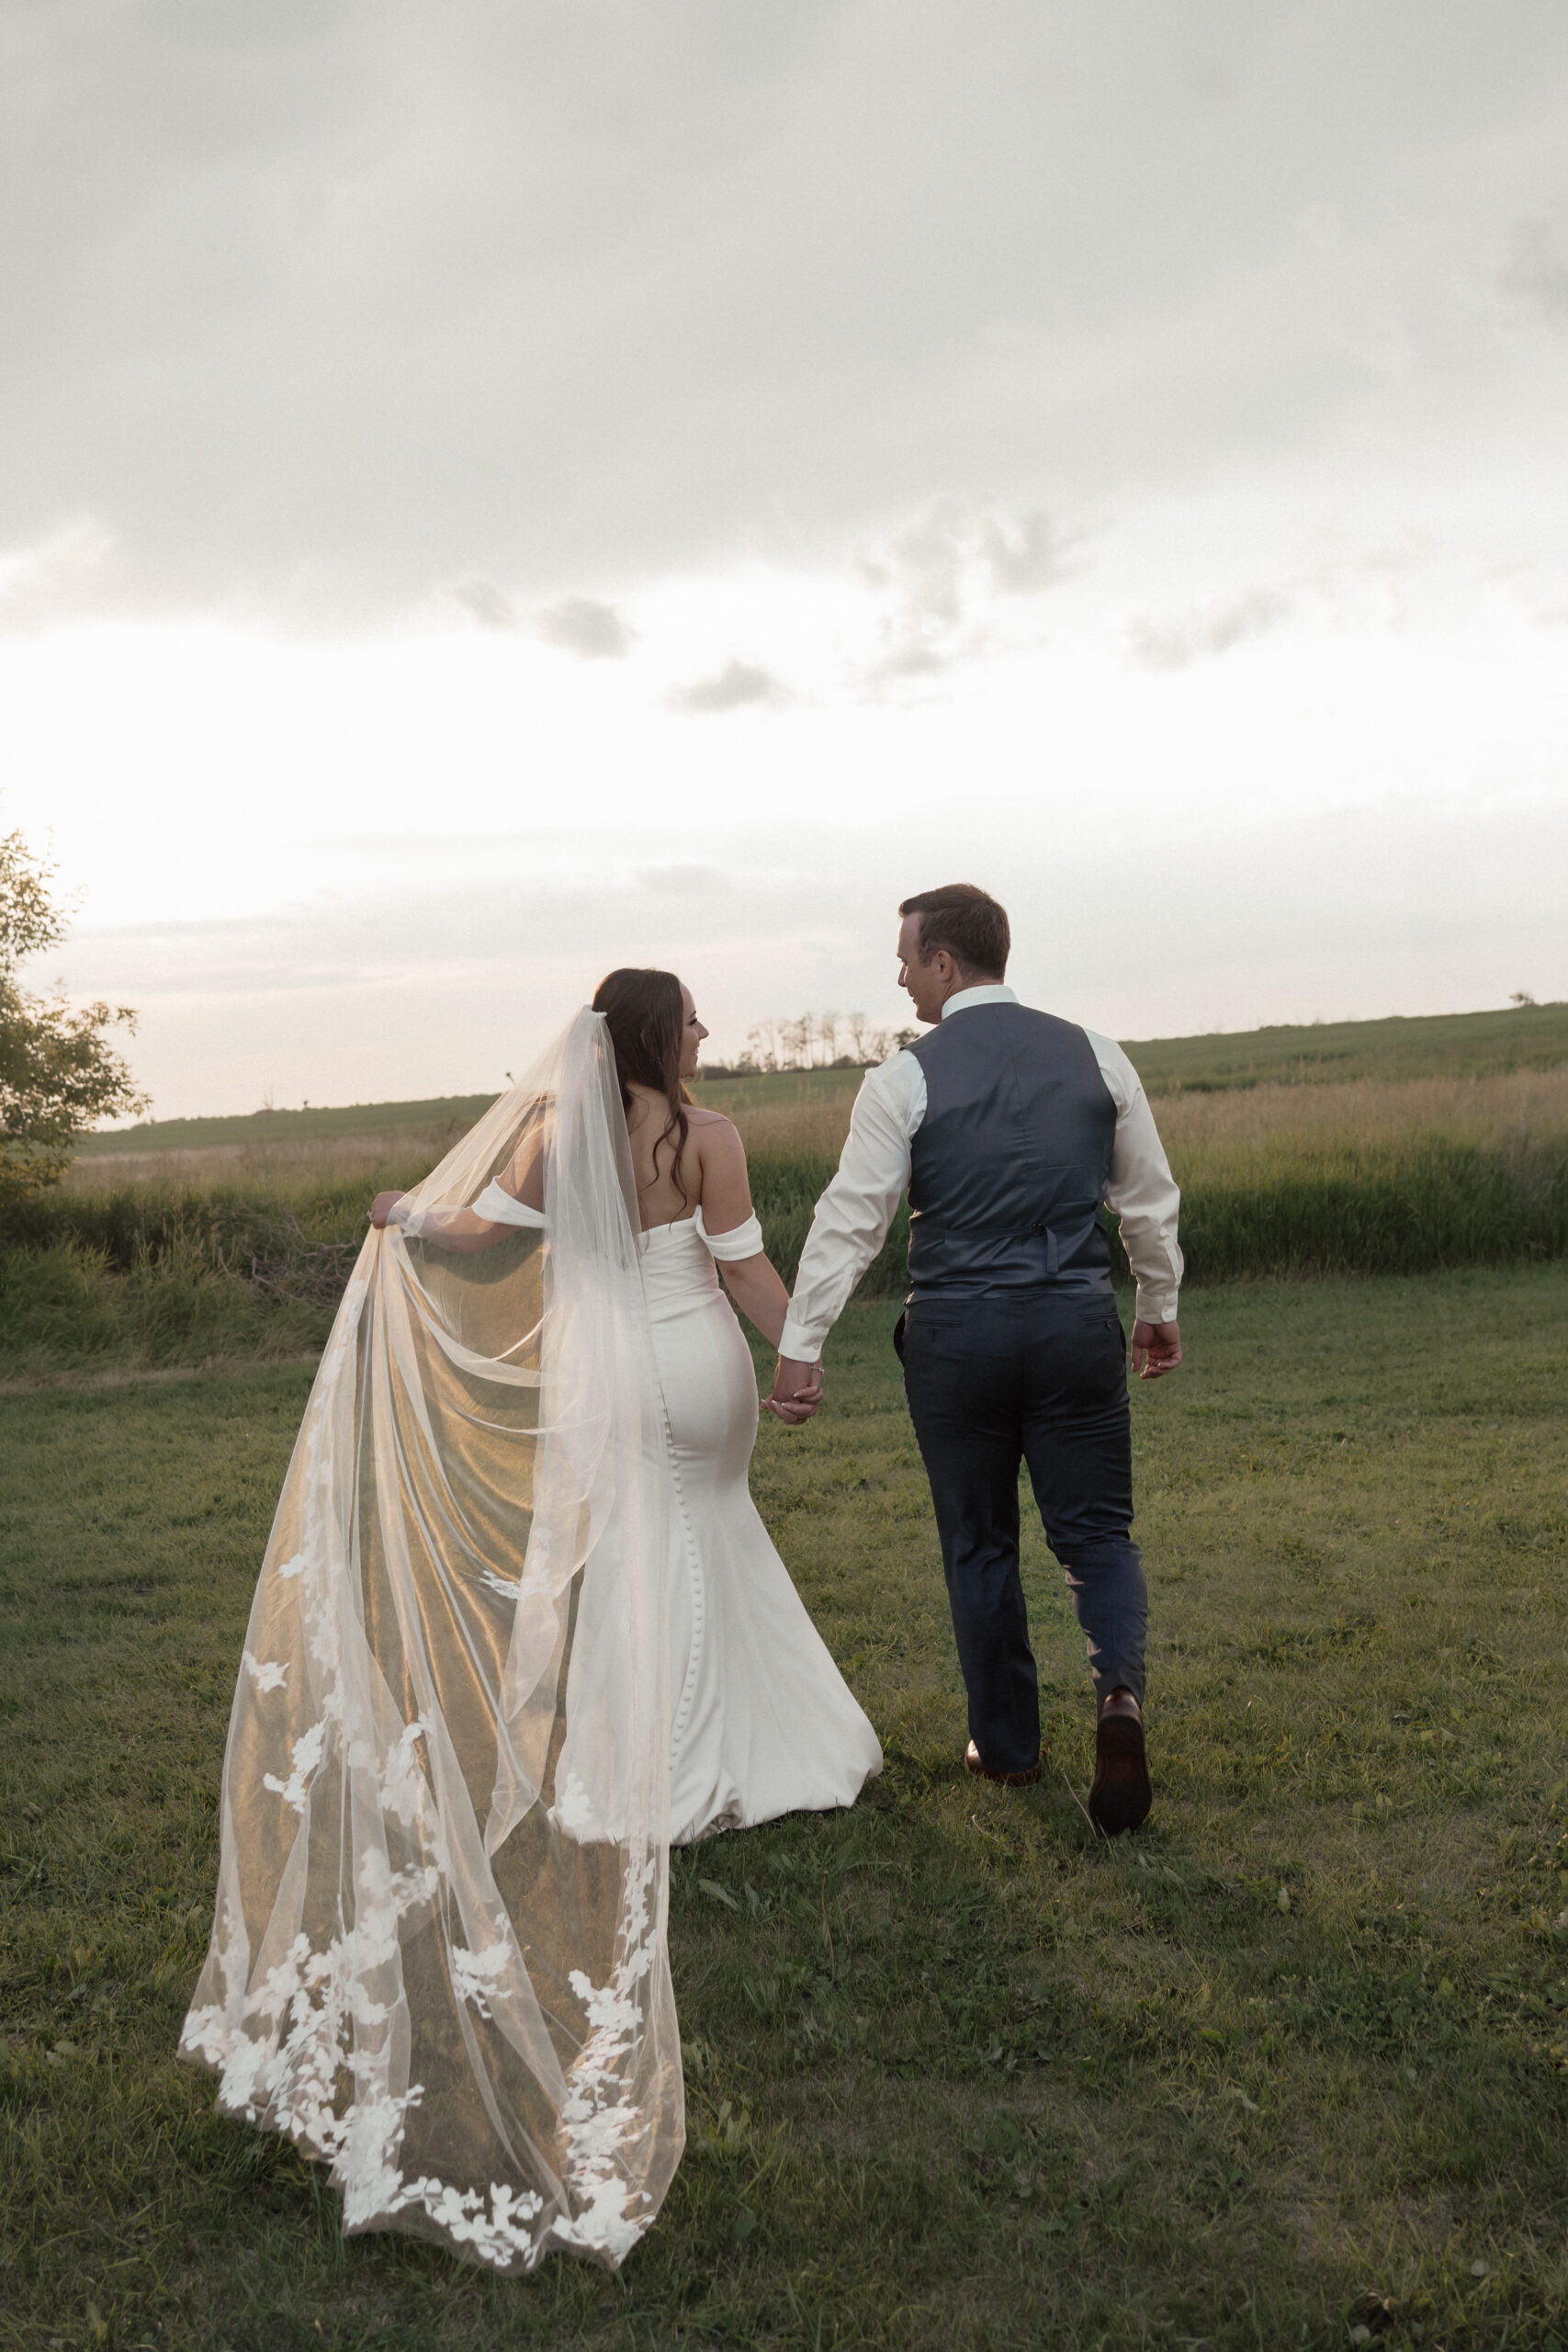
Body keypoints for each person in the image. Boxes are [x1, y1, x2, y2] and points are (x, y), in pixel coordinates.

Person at [181, 975, 878, 2281]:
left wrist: (399, 1213)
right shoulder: (706, 1137)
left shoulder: (560, 1135)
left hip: (612, 1380)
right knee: (708, 1533)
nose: (708, 1039)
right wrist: (802, 1351)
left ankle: (667, 1753)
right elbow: (743, 1273)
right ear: (659, 1035)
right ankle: (749, 1737)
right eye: (694, 1021)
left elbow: (474, 1234)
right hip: (704, 1373)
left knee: (644, 1552)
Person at [768, 885, 1182, 1834]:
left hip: (959, 1337)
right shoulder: (1099, 1054)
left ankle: (1007, 1748)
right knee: (1099, 1535)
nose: (902, 974)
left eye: (908, 958)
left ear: (946, 963)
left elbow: (851, 1221)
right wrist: (1155, 1305)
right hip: (1076, 1323)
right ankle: (1118, 1698)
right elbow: (1149, 1201)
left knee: (980, 1540)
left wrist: (802, 1345)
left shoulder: (904, 1077)